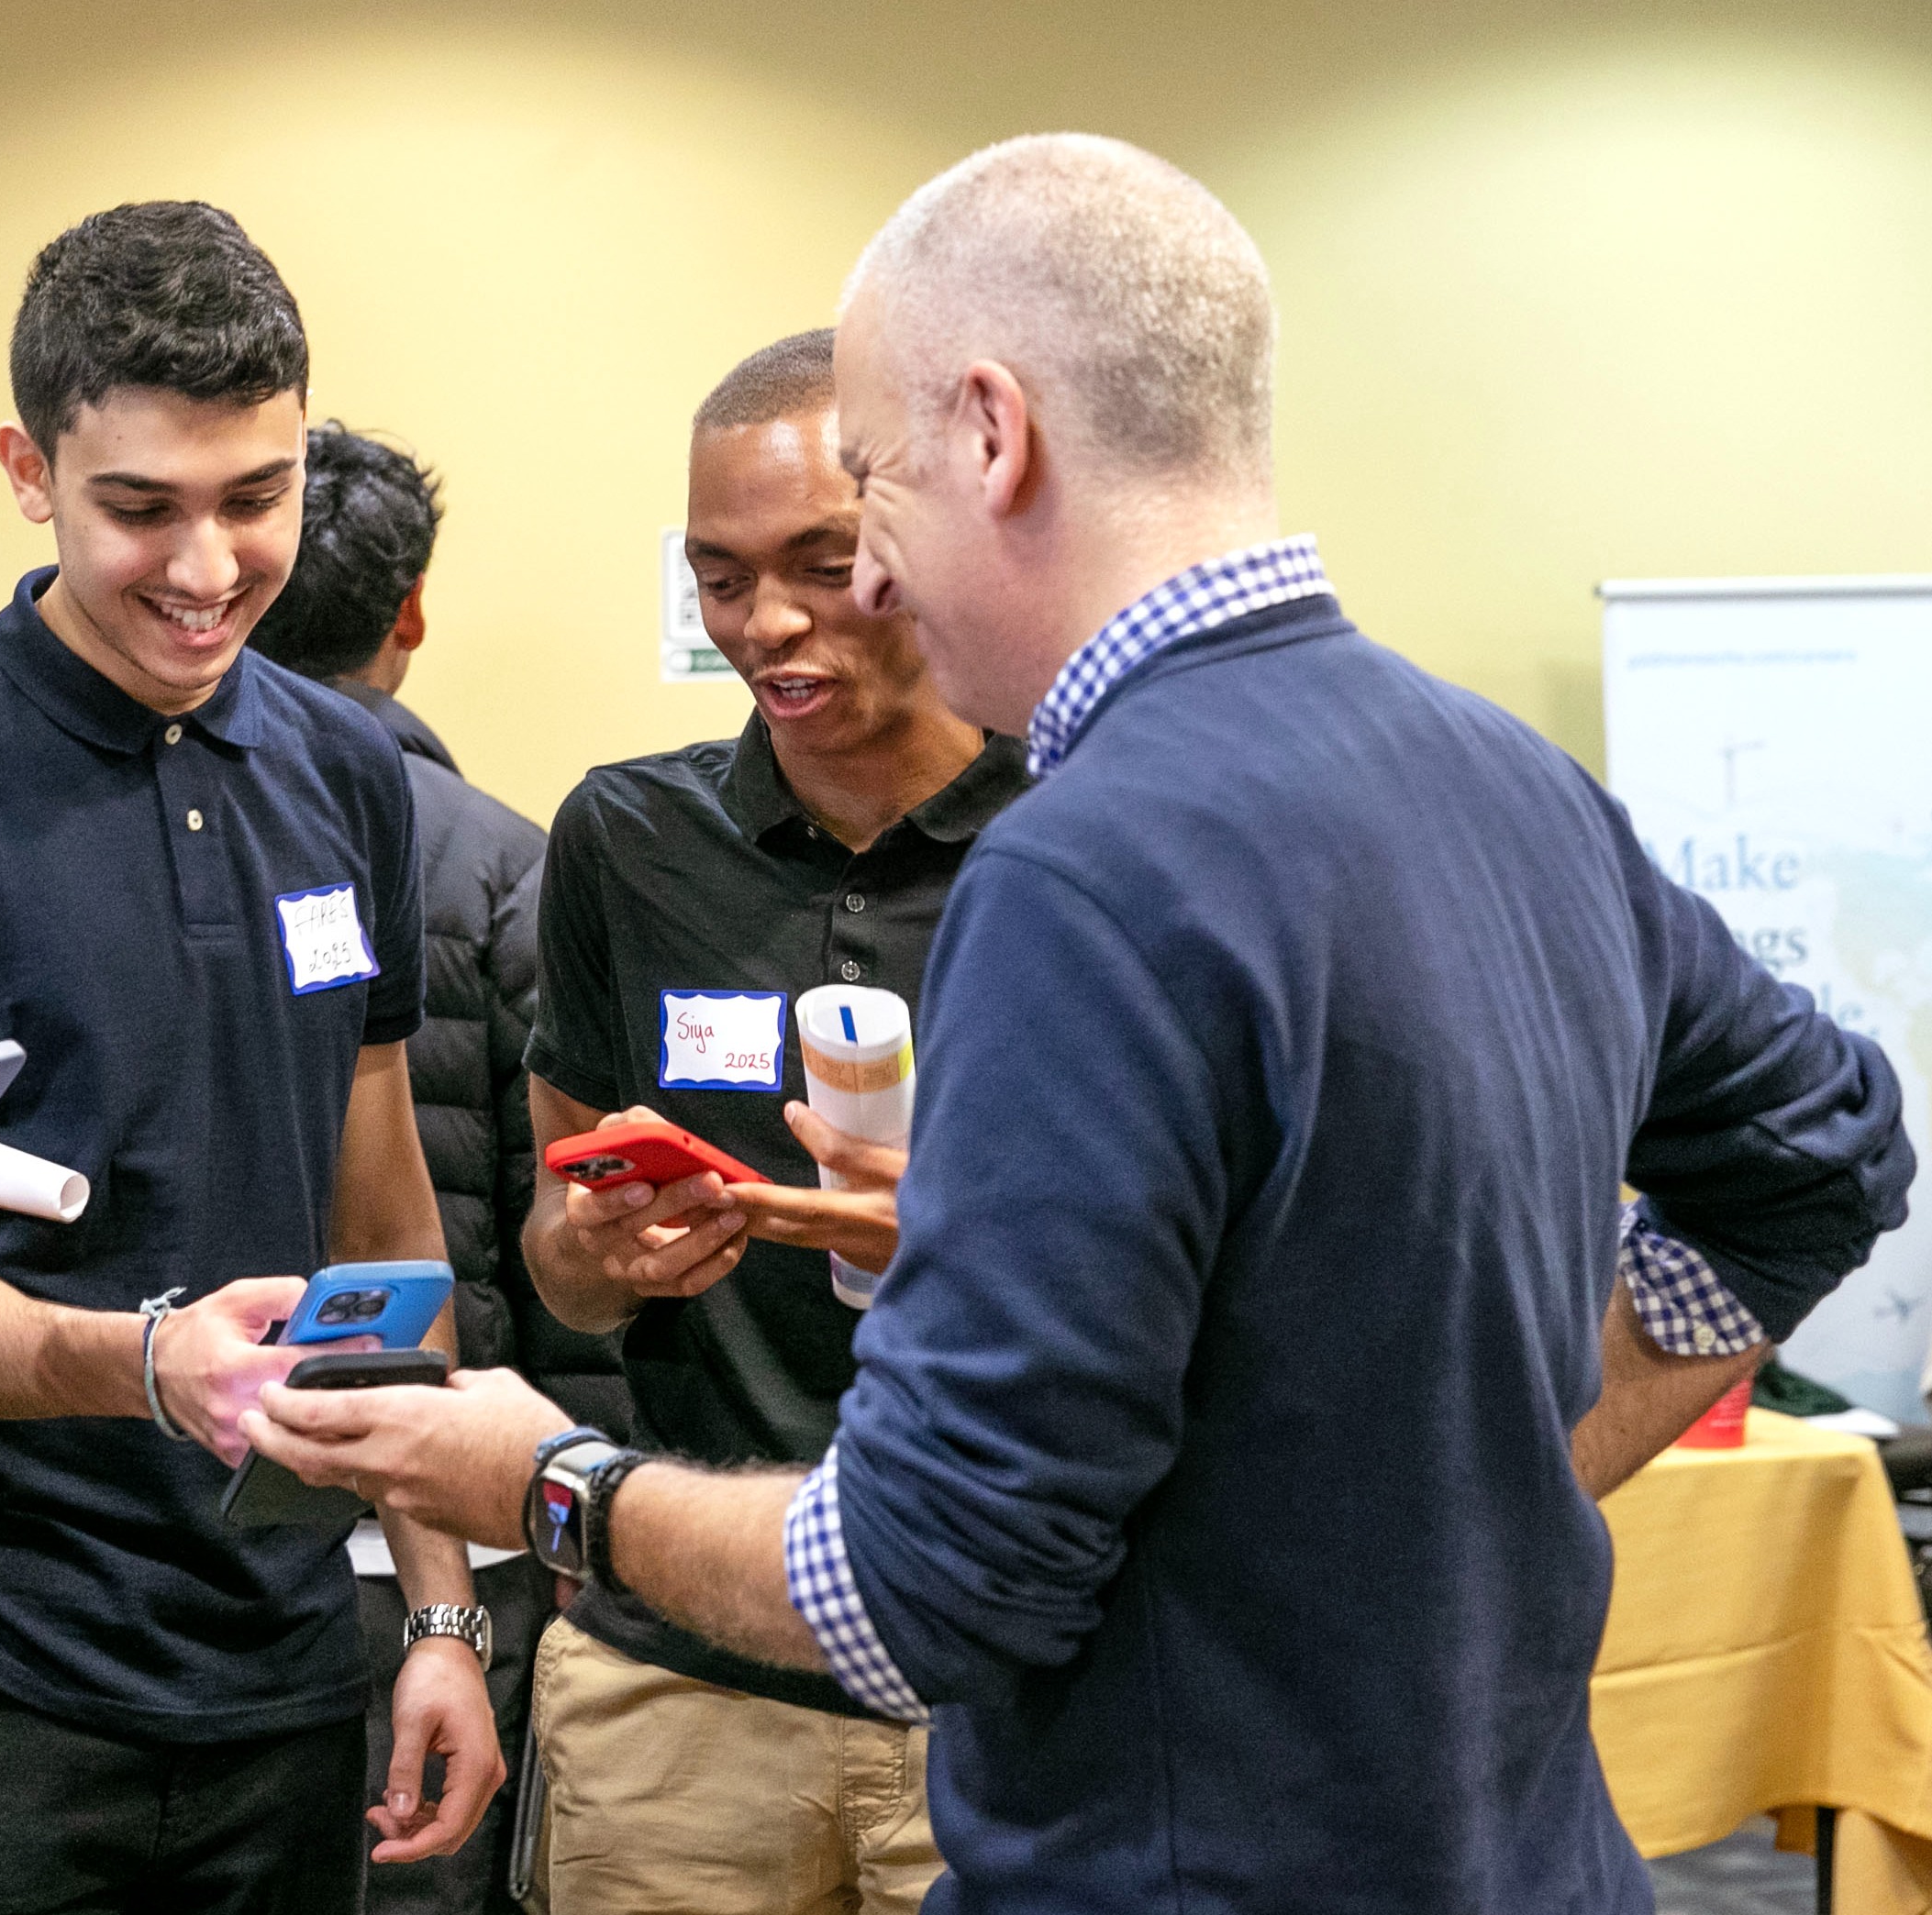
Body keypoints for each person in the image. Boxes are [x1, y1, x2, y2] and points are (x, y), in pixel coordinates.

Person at [250, 134, 1915, 1912]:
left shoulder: (1088, 867)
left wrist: (548, 1478)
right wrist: (1508, 1466)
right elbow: (1819, 1150)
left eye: (873, 491)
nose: (860, 587)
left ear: (990, 433)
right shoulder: (1503, 778)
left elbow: (924, 1587)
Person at [0, 201, 502, 1915]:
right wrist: (149, 1359)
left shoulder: (347, 772)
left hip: (284, 1667)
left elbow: (382, 1223)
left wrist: (439, 1610)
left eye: (255, 498)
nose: (205, 565)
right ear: (29, 471)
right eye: (139, 509)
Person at [499, 329, 1025, 1915]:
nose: (765, 624)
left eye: (819, 563)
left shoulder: (1084, 829)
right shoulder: (626, 835)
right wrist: (599, 1248)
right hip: (683, 1674)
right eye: (719, 578)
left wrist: (944, 1229)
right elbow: (555, 1267)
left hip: (996, 1676)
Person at [245, 422, 586, 1915]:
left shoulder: (197, 835)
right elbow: (561, 1243)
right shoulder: (516, 861)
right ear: (411, 613)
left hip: (236, 1496)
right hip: (460, 1501)